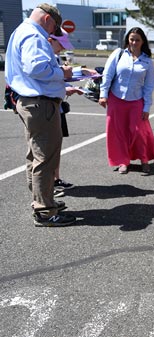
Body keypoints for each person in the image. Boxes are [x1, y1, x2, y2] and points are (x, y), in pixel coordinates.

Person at [5, 3, 76, 227]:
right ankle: (46, 211)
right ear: (47, 19)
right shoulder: (34, 35)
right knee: (46, 158)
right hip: (40, 104)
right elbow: (36, 68)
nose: (52, 33)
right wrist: (62, 73)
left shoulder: (21, 31)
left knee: (35, 156)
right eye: (53, 27)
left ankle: (41, 201)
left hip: (30, 103)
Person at [98, 27, 154, 175]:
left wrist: (146, 107)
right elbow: (107, 74)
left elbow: (149, 86)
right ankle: (123, 161)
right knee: (118, 132)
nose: (134, 42)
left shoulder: (147, 61)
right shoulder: (118, 54)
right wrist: (103, 94)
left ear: (143, 41)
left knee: (139, 132)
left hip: (136, 100)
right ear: (127, 40)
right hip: (116, 99)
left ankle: (144, 159)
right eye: (131, 39)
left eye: (137, 39)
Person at [49, 28, 79, 197]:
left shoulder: (55, 56)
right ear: (49, 40)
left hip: (57, 106)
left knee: (56, 146)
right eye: (60, 44)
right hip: (47, 108)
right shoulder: (45, 58)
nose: (61, 48)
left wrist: (69, 86)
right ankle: (49, 186)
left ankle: (56, 179)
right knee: (48, 150)